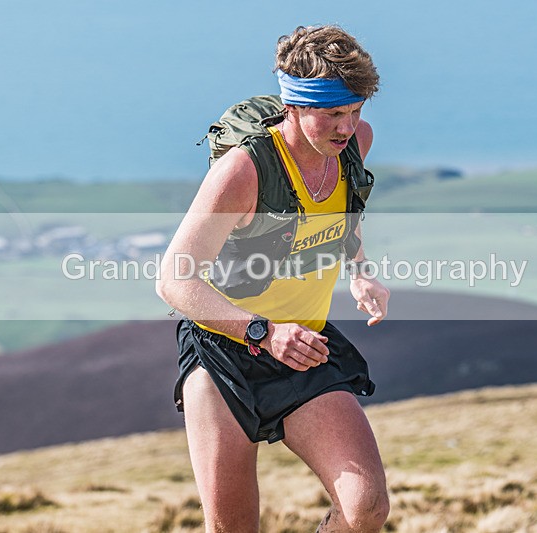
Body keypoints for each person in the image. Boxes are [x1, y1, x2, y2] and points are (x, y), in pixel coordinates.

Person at [156, 25, 391, 532]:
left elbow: (341, 215)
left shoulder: (354, 144)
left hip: (306, 347)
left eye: (356, 110)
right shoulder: (243, 173)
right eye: (332, 113)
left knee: (366, 507)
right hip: (226, 354)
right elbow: (174, 280)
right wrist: (263, 330)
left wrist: (360, 272)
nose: (348, 128)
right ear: (295, 106)